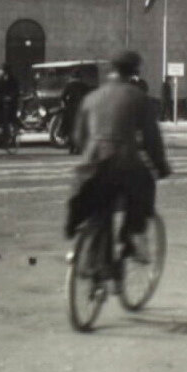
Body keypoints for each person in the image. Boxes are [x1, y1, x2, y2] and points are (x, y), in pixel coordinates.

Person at [65, 50, 172, 261]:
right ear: (133, 73)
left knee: (96, 204)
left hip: (91, 167)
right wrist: (160, 166)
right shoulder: (138, 98)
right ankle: (132, 236)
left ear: (111, 70)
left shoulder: (92, 98)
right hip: (124, 165)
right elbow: (152, 139)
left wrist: (93, 151)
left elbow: (78, 137)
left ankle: (83, 247)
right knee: (146, 184)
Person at [0, 66, 20, 149]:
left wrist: (10, 97)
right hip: (1, 103)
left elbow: (16, 91)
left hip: (11, 105)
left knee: (6, 119)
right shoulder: (1, 80)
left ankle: (6, 139)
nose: (1, 72)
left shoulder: (13, 80)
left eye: (2, 71)